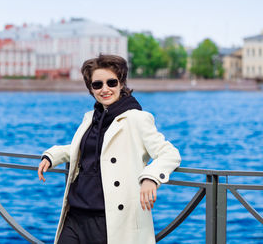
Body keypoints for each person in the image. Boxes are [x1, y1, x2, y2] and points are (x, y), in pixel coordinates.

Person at [37, 54, 181, 244]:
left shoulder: (137, 118)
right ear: (91, 89)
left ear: (121, 84)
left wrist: (151, 178)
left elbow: (169, 153)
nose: (105, 89)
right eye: (97, 85)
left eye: (111, 82)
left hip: (109, 220)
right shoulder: (91, 117)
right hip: (75, 215)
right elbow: (83, 148)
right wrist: (52, 155)